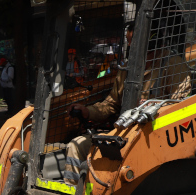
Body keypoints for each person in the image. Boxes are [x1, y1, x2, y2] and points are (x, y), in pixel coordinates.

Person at [64, 36, 191, 185]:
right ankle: (73, 194)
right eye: (129, 41)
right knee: (75, 145)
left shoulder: (174, 65)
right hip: (123, 133)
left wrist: (156, 106)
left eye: (133, 40)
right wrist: (87, 111)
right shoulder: (128, 68)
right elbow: (111, 104)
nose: (130, 45)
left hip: (155, 137)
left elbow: (183, 106)